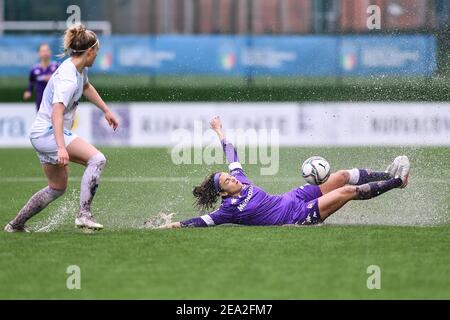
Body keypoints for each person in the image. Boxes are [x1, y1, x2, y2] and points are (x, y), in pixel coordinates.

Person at [159, 116, 410, 229]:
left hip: (294, 197)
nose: (232, 177)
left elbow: (231, 152)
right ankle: (398, 182)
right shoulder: (227, 211)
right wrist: (171, 225)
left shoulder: (242, 181)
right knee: (346, 191)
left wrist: (218, 130)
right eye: (228, 180)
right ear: (223, 192)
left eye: (229, 175)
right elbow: (199, 223)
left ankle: (386, 174)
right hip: (298, 215)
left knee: (343, 175)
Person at [4, 24, 119, 232]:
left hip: (41, 133)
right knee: (97, 159)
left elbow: (86, 87)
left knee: (57, 188)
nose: (97, 56)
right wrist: (61, 147)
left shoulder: (76, 68)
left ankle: (15, 225)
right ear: (90, 51)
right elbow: (57, 112)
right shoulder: (68, 77)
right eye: (97, 52)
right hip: (48, 133)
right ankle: (84, 215)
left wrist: (106, 110)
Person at [24, 43, 59, 111]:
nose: (45, 53)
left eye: (47, 50)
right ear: (38, 53)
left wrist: (52, 79)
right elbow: (31, 82)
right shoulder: (34, 70)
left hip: (55, 102)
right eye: (43, 51)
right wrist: (28, 91)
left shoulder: (57, 67)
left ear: (50, 52)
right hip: (41, 103)